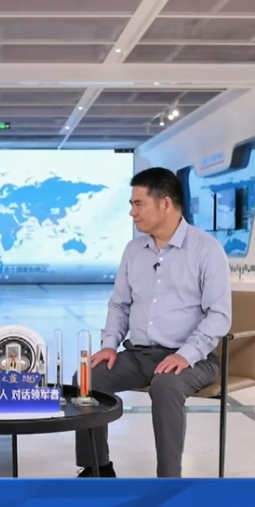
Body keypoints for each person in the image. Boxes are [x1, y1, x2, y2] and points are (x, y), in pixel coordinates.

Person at [75, 167, 231, 478]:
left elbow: (220, 315)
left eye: (138, 203)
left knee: (166, 385)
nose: (132, 212)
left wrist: (185, 354)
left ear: (165, 203)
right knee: (87, 379)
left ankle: (169, 481)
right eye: (131, 204)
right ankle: (97, 468)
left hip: (192, 358)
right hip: (138, 355)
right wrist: (109, 345)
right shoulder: (134, 251)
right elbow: (119, 304)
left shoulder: (206, 250)